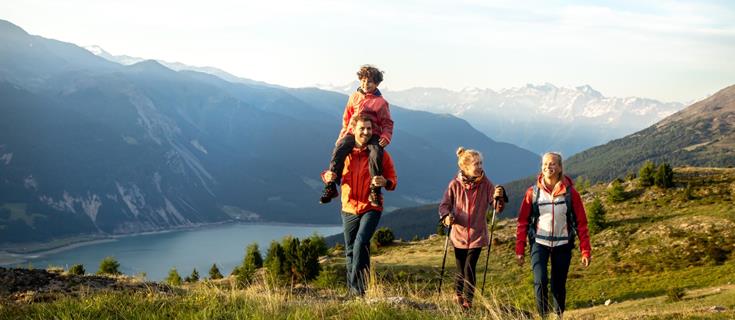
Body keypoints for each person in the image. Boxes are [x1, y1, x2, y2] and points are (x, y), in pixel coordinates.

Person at [321, 114, 397, 296]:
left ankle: (358, 291)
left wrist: (384, 182)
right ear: (353, 130)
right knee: (349, 251)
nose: (365, 132)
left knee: (361, 243)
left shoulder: (380, 154)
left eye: (369, 129)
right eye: (362, 128)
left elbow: (393, 181)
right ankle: (353, 291)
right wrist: (327, 177)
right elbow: (330, 174)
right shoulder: (344, 153)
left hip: (371, 206)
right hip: (348, 207)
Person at [515, 152, 591, 318]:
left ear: (560, 168)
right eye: (545, 164)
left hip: (563, 244)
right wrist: (520, 249)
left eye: (552, 164)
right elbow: (522, 222)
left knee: (558, 285)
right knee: (540, 280)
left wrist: (585, 250)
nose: (548, 167)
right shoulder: (532, 193)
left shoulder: (571, 194)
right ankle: (542, 316)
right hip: (539, 243)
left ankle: (558, 315)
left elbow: (581, 224)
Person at [438, 147, 507, 309]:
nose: (480, 166)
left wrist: (499, 197)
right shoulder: (454, 184)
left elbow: (497, 208)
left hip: (477, 234)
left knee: (469, 266)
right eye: (476, 164)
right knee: (460, 267)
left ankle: (468, 301)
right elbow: (444, 205)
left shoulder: (486, 184)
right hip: (458, 234)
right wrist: (446, 217)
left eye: (481, 163)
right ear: (465, 167)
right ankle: (458, 295)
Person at [320, 65, 394, 207]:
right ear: (360, 80)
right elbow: (347, 118)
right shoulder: (354, 97)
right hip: (352, 132)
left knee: (376, 152)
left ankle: (374, 189)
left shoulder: (381, 103)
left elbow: (387, 122)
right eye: (364, 80)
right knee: (339, 149)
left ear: (377, 84)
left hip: (373, 133)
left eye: (371, 82)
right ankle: (331, 185)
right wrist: (342, 135)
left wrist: (386, 136)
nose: (366, 84)